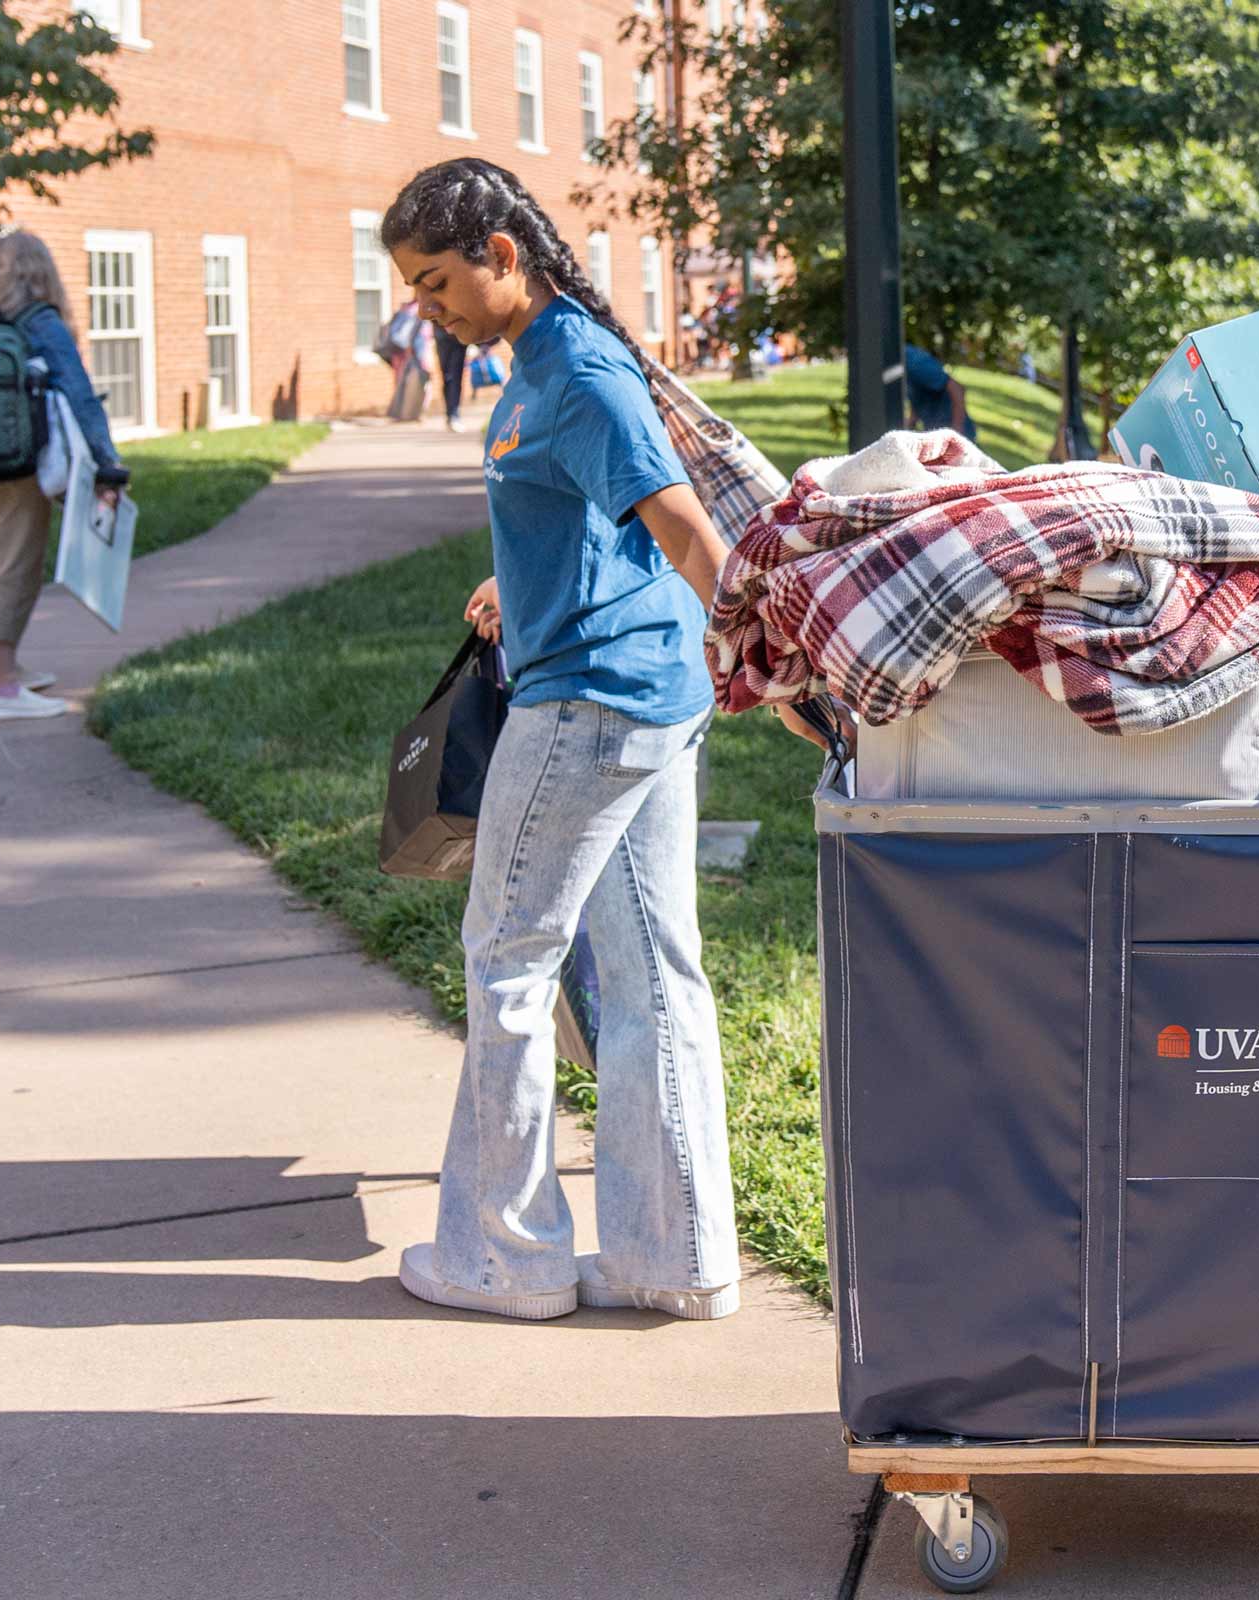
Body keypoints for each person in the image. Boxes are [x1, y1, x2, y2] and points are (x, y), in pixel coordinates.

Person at [379, 156, 742, 1323]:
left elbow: (683, 526)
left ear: (502, 255)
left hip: (590, 703)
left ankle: (510, 1257)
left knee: (508, 958)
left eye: (437, 281)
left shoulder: (575, 368)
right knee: (647, 973)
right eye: (412, 288)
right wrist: (519, 577)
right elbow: (604, 513)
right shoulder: (545, 363)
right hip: (635, 686)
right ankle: (671, 1258)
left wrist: (771, 655)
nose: (424, 308)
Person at [0, 232, 128, 721]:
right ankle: (2, 690)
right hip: (20, 466)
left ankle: (7, 670)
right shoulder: (39, 321)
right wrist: (108, 465)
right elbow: (81, 395)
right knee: (14, 571)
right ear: (41, 270)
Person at [903, 342, 975, 440]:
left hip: (956, 433)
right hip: (935, 433)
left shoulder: (912, 361)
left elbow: (956, 388)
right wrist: (910, 423)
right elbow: (918, 394)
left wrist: (956, 431)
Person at [433, 322, 472, 430]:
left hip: (457, 338)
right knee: (447, 377)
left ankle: (453, 414)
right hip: (443, 337)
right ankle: (451, 414)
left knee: (455, 377)